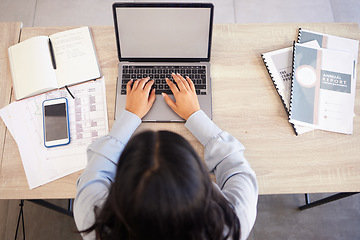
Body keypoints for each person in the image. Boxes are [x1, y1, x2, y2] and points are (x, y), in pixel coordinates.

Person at [74, 73, 258, 240]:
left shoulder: (93, 221)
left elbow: (95, 171)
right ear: (199, 181)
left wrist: (130, 115)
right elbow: (237, 169)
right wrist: (195, 115)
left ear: (121, 187)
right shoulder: (232, 226)